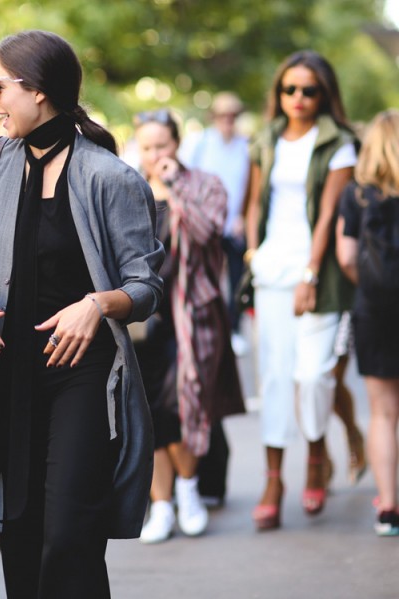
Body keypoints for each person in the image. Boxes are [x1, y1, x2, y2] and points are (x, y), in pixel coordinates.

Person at [0, 30, 164, 597]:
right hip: (8, 374)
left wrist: (97, 305)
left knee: (69, 538)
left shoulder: (110, 178)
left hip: (83, 377)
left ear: (38, 92)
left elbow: (145, 287)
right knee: (19, 534)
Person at [245, 50, 358, 530]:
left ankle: (316, 458)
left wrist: (310, 274)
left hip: (320, 277)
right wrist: (253, 254)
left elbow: (331, 214)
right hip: (271, 271)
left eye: (309, 90)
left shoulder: (340, 143)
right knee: (273, 377)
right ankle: (275, 479)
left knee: (313, 377)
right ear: (279, 93)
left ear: (324, 93)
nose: (298, 98)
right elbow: (253, 204)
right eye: (289, 89)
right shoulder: (266, 139)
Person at [133, 109, 245, 543]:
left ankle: (189, 489)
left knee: (187, 406)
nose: (155, 154)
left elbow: (207, 233)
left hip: (193, 315)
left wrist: (176, 184)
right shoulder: (129, 188)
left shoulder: (204, 185)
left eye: (162, 145)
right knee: (151, 413)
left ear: (177, 144)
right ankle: (161, 505)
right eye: (147, 147)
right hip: (143, 318)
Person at [336, 108, 399, 536]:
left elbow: (345, 256)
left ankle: (388, 507)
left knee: (383, 412)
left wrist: (371, 288)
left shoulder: (355, 194)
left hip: (374, 311)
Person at [180, 92, 250, 354]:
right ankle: (202, 328)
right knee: (203, 276)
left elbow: (248, 185)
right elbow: (187, 179)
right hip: (205, 223)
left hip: (233, 224)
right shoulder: (201, 142)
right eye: (222, 115)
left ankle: (233, 329)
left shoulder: (244, 145)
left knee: (236, 278)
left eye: (232, 115)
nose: (227, 120)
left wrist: (241, 215)